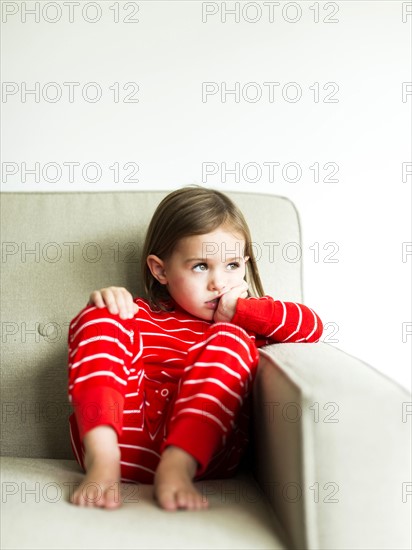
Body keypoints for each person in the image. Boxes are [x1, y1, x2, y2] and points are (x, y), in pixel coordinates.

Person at [67, 186, 323, 512]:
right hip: (122, 438)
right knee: (103, 315)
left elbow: (311, 326)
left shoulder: (249, 323)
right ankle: (102, 463)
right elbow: (103, 346)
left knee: (230, 338)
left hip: (204, 454)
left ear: (244, 265)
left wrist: (242, 313)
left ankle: (177, 467)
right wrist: (109, 304)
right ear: (160, 270)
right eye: (201, 266)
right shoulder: (140, 316)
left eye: (231, 265)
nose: (218, 283)